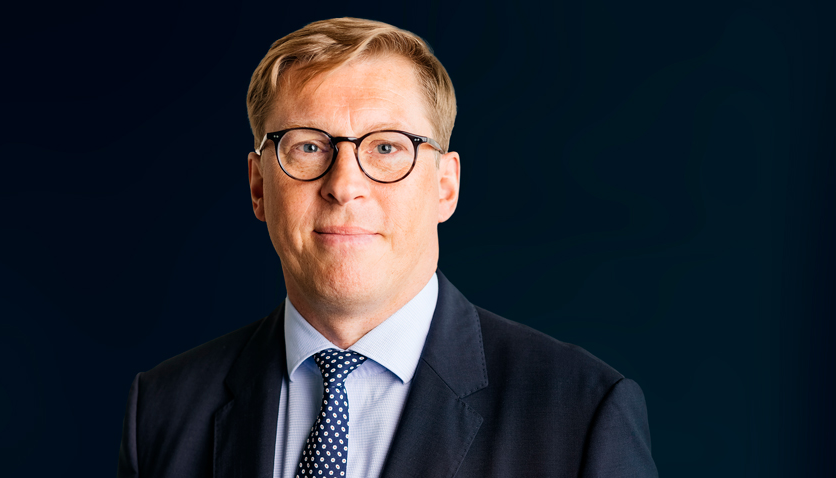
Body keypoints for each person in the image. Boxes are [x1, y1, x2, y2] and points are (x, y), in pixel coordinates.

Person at [117, 17, 658, 478]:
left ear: (445, 186)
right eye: (309, 146)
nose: (344, 185)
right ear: (259, 186)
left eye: (386, 147)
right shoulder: (162, 411)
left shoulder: (582, 414)